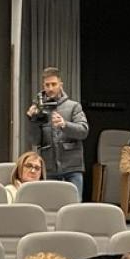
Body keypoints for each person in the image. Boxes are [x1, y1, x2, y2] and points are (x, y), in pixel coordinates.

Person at [26, 66, 88, 194]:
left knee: (73, 207)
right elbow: (35, 141)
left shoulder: (73, 106)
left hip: (72, 168)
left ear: (61, 84)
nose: (50, 88)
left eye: (54, 84)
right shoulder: (39, 108)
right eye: (47, 85)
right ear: (43, 86)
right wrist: (33, 121)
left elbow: (83, 131)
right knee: (50, 205)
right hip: (49, 169)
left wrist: (65, 125)